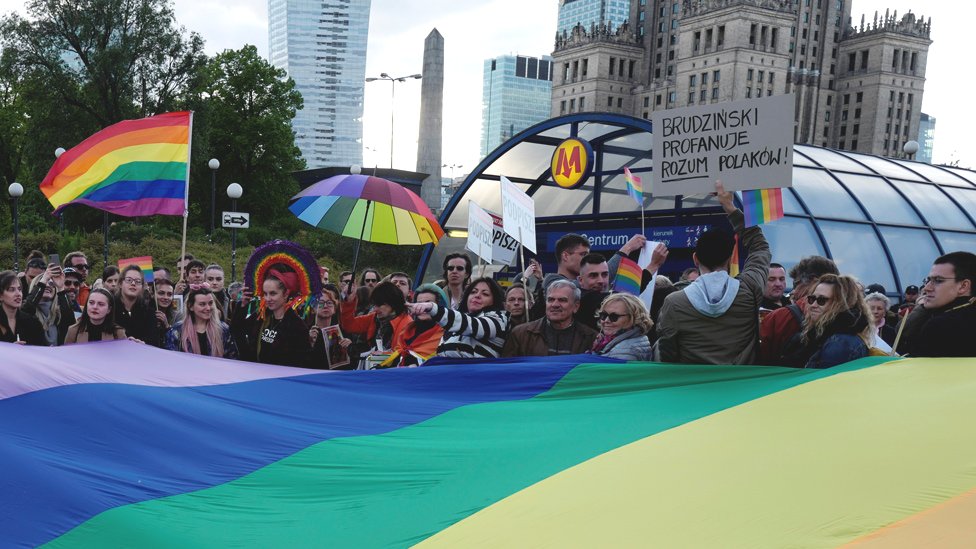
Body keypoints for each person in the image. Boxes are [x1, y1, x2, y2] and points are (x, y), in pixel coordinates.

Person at [655, 181, 771, 365]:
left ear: (695, 259)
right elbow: (760, 247)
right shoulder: (750, 290)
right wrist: (729, 206)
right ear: (729, 259)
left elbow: (667, 353)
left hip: (693, 388)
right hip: (744, 388)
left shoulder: (674, 302)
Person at [758, 255, 839, 365]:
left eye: (796, 284)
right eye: (771, 279)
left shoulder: (778, 318)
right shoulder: (853, 316)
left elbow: (761, 361)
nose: (794, 292)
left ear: (815, 281)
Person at [782, 274, 872, 369]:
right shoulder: (815, 334)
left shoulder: (840, 343)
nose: (813, 305)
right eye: (811, 299)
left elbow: (825, 381)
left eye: (822, 300)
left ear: (840, 304)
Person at [408, 277, 510, 359]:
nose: (477, 296)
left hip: (476, 378)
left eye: (485, 294)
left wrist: (432, 308)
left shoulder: (499, 318)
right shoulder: (456, 322)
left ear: (495, 300)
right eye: (473, 292)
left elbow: (472, 326)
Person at [232, 265, 312, 367]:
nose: (268, 298)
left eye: (273, 294)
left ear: (286, 293)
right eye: (265, 294)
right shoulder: (261, 317)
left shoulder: (297, 326)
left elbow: (303, 363)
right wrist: (242, 306)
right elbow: (236, 330)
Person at [902, 252, 976, 357]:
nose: (927, 288)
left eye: (938, 281)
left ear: (963, 286)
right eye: (928, 280)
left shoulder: (940, 325)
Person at [502, 279, 596, 357]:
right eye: (550, 300)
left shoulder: (591, 338)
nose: (555, 305)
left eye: (562, 300)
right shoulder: (520, 334)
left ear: (576, 306)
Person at [340, 280, 413, 368]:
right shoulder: (374, 317)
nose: (375, 309)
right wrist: (349, 302)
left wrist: (383, 355)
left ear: (393, 303)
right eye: (374, 305)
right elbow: (349, 326)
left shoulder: (407, 323)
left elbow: (404, 354)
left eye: (379, 305)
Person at [165, 287, 238, 359]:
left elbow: (232, 358)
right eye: (202, 304)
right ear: (190, 306)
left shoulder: (223, 329)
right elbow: (171, 359)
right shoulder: (177, 330)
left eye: (210, 303)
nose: (208, 308)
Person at [388, 284, 446, 366]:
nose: (423, 307)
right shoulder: (406, 331)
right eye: (419, 303)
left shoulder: (445, 335)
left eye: (428, 303)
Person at [22, 264, 75, 345]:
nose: (47, 286)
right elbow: (27, 309)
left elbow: (70, 319)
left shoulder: (59, 313)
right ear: (35, 288)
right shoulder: (29, 312)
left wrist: (60, 288)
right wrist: (44, 279)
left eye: (51, 284)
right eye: (45, 283)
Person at [590, 293, 654, 360]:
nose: (606, 320)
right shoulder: (608, 342)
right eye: (604, 315)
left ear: (634, 318)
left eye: (614, 316)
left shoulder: (627, 350)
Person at [307, 284, 353, 369]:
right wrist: (310, 343)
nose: (325, 306)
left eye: (329, 303)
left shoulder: (342, 333)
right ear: (313, 308)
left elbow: (349, 366)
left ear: (335, 308)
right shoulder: (305, 331)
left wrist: (350, 348)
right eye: (321, 303)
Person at [113, 265, 158, 346]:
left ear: (142, 286)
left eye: (138, 281)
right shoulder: (110, 308)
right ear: (120, 283)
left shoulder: (149, 312)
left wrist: (143, 344)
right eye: (129, 280)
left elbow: (153, 340)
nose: (133, 283)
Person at [0, 270, 47, 345]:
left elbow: (43, 349)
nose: (18, 294)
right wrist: (9, 349)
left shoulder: (32, 322)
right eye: (11, 290)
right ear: (1, 296)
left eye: (19, 289)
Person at [152, 278, 178, 343]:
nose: (166, 297)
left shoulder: (177, 316)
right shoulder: (144, 313)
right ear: (152, 294)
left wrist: (167, 326)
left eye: (169, 294)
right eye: (161, 293)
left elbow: (178, 342)